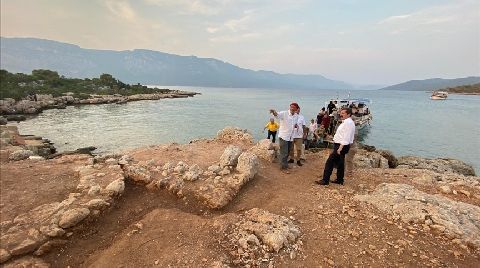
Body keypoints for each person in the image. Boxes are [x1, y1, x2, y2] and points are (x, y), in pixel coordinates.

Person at [316, 107, 355, 185]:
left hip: (341, 145)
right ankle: (340, 180)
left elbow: (346, 136)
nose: (341, 114)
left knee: (329, 162)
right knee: (340, 163)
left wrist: (340, 147)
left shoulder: (348, 123)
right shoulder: (348, 122)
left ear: (349, 114)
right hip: (343, 145)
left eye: (343, 113)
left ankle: (325, 180)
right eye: (341, 113)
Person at [269, 103, 300, 172]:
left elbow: (293, 124)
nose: (292, 108)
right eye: (291, 107)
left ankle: (285, 165)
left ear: (296, 109)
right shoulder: (284, 113)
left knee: (288, 152)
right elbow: (277, 115)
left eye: (293, 107)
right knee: (284, 152)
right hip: (284, 136)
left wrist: (296, 126)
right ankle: (282, 167)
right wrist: (274, 112)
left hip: (290, 137)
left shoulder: (296, 116)